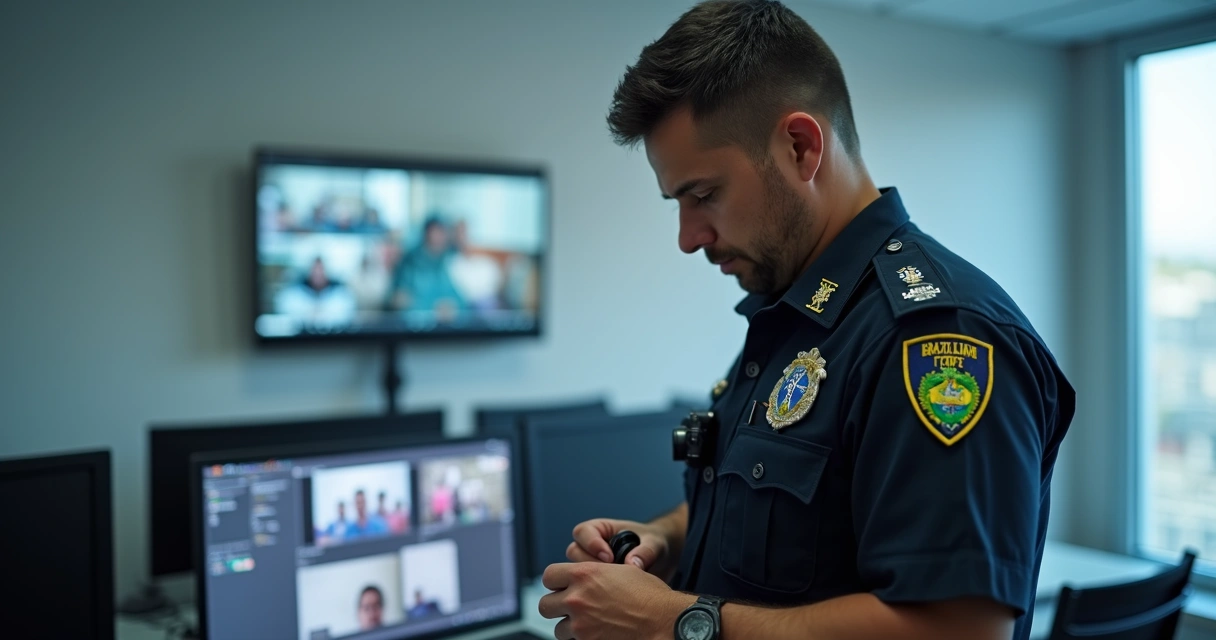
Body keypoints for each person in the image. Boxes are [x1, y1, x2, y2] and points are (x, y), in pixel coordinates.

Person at [537, 3, 1075, 640]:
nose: (688, 237)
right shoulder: (798, 318)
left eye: (703, 194)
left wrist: (673, 622)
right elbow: (780, 516)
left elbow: (958, 630)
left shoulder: (936, 336)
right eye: (676, 202)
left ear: (800, 147)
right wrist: (665, 537)